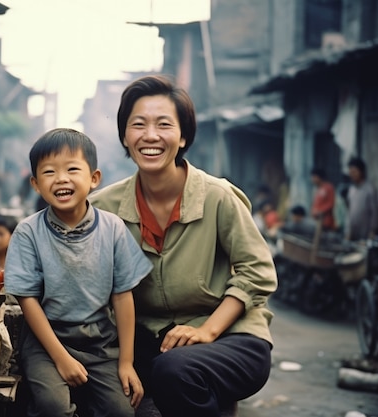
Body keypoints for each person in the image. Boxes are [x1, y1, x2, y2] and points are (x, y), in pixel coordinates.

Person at [88, 74, 277, 417]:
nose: (150, 136)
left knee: (175, 371)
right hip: (148, 344)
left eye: (164, 124)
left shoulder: (218, 196)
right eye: (138, 125)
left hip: (231, 338)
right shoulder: (103, 209)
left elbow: (258, 271)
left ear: (183, 135)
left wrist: (207, 330)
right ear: (125, 136)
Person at [4, 128, 153, 417]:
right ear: (35, 184)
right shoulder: (28, 232)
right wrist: (61, 359)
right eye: (49, 172)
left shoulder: (113, 229)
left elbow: (123, 297)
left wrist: (126, 362)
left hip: (99, 342)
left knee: (122, 411)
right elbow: (27, 301)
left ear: (94, 179)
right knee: (52, 407)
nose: (61, 178)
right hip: (47, 342)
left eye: (72, 169)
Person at [345, 157, 378, 242]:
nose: (352, 175)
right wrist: (347, 232)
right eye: (350, 172)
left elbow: (374, 213)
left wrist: (372, 231)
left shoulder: (370, 189)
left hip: (365, 236)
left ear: (361, 171)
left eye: (354, 172)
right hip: (352, 235)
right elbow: (349, 212)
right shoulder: (351, 190)